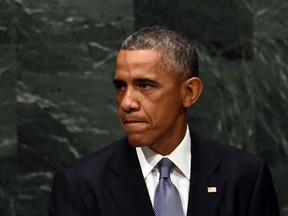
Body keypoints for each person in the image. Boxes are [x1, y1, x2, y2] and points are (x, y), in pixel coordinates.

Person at [48, 26, 280, 216]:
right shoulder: (80, 185)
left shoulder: (245, 176)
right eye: (121, 86)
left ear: (189, 92)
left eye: (145, 85)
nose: (127, 102)